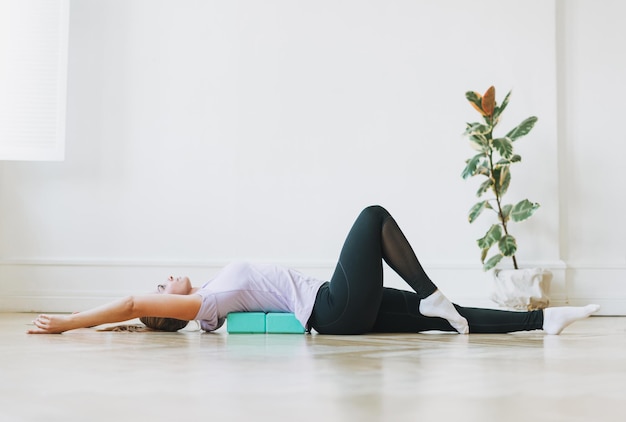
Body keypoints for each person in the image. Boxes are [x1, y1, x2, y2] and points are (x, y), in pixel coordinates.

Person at [28, 205, 599, 335]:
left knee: (448, 323)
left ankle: (544, 322)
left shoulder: (210, 296)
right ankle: (430, 292)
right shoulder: (201, 306)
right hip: (331, 306)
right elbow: (131, 305)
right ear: (169, 308)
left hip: (337, 310)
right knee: (373, 216)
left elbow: (135, 313)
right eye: (160, 290)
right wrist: (69, 323)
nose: (163, 281)